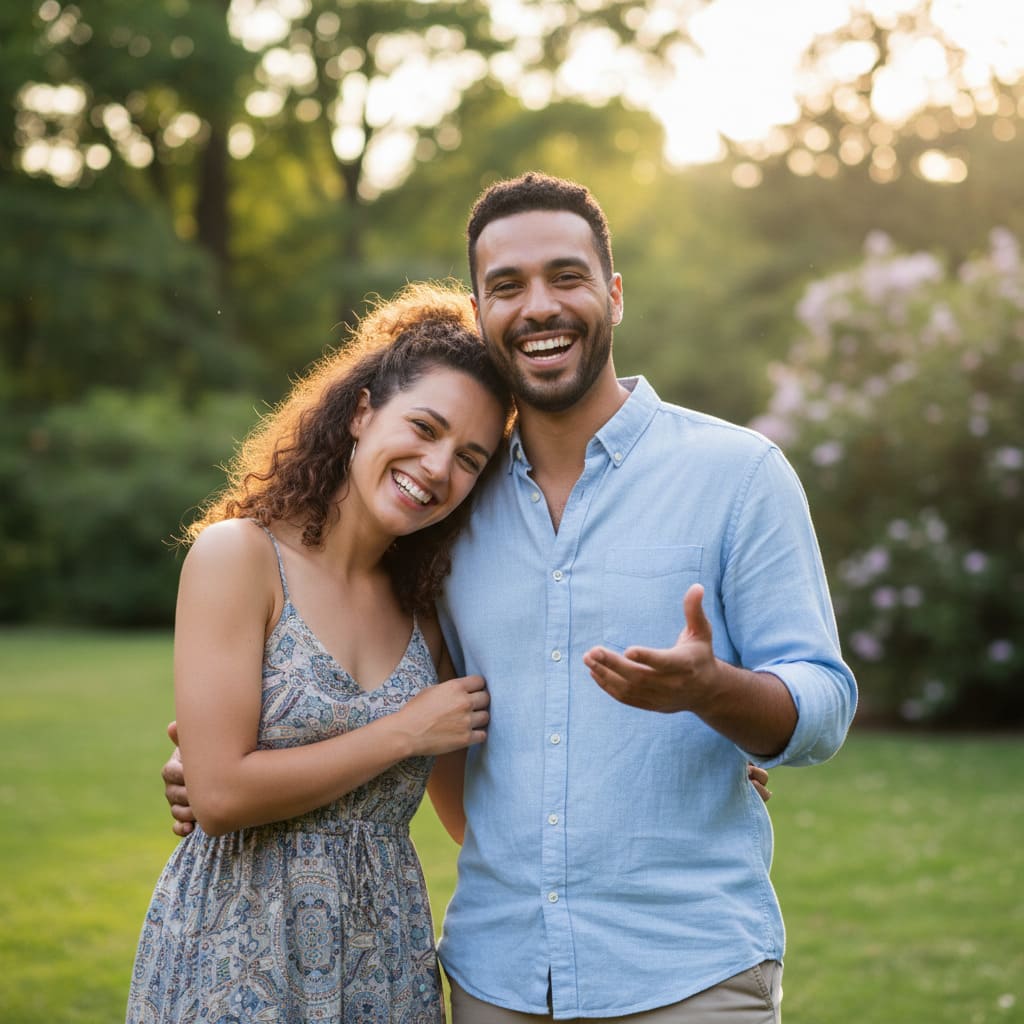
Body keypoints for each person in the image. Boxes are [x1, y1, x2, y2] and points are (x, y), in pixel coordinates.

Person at [166, 172, 857, 1022]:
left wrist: (717, 694)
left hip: (687, 969)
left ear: (613, 293)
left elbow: (824, 701)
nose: (539, 306)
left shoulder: (737, 475)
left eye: (566, 276)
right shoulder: (450, 514)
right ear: (480, 311)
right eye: (507, 286)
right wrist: (229, 764)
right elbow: (394, 699)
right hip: (498, 977)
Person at [127, 281, 513, 1024]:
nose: (438, 468)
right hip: (238, 954)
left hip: (383, 964)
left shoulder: (428, 613)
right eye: (424, 427)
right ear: (362, 412)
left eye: (469, 457)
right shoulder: (240, 558)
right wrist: (403, 732)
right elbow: (219, 797)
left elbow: (474, 820)